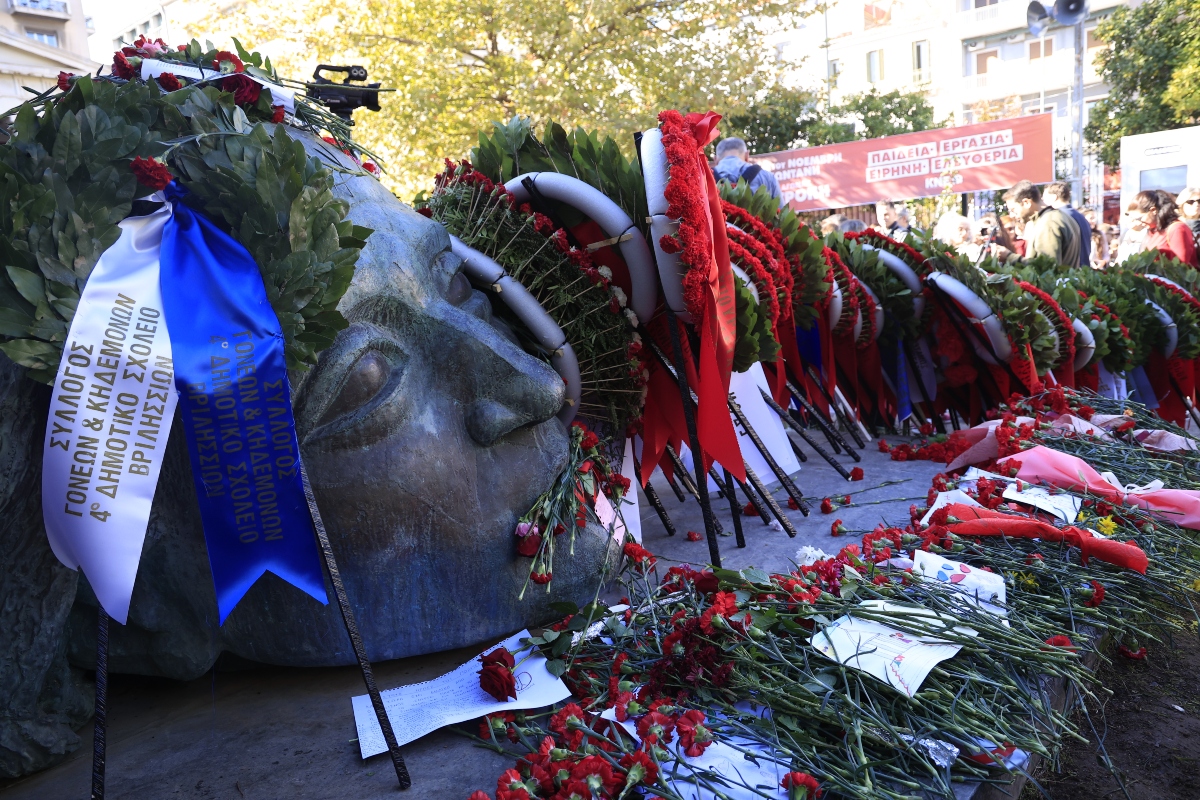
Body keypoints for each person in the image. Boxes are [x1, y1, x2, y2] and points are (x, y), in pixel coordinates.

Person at [1001, 180, 1080, 266]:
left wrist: (1009, 257)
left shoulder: (1048, 223)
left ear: (1026, 203)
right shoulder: (1062, 217)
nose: (1012, 215)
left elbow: (1047, 269)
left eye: (1013, 210)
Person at [1128, 189, 1198, 266]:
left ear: (1153, 210)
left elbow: (1180, 267)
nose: (1138, 223)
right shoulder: (1153, 231)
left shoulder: (1177, 229)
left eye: (1139, 218)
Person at [712, 137, 782, 206]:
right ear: (747, 155)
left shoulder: (704, 179)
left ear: (715, 159)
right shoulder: (767, 177)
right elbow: (780, 213)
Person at [1042, 182, 1091, 267]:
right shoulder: (1081, 217)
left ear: (1054, 197)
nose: (1043, 201)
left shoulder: (1060, 218)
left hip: (1070, 271)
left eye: (1044, 198)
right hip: (1084, 270)